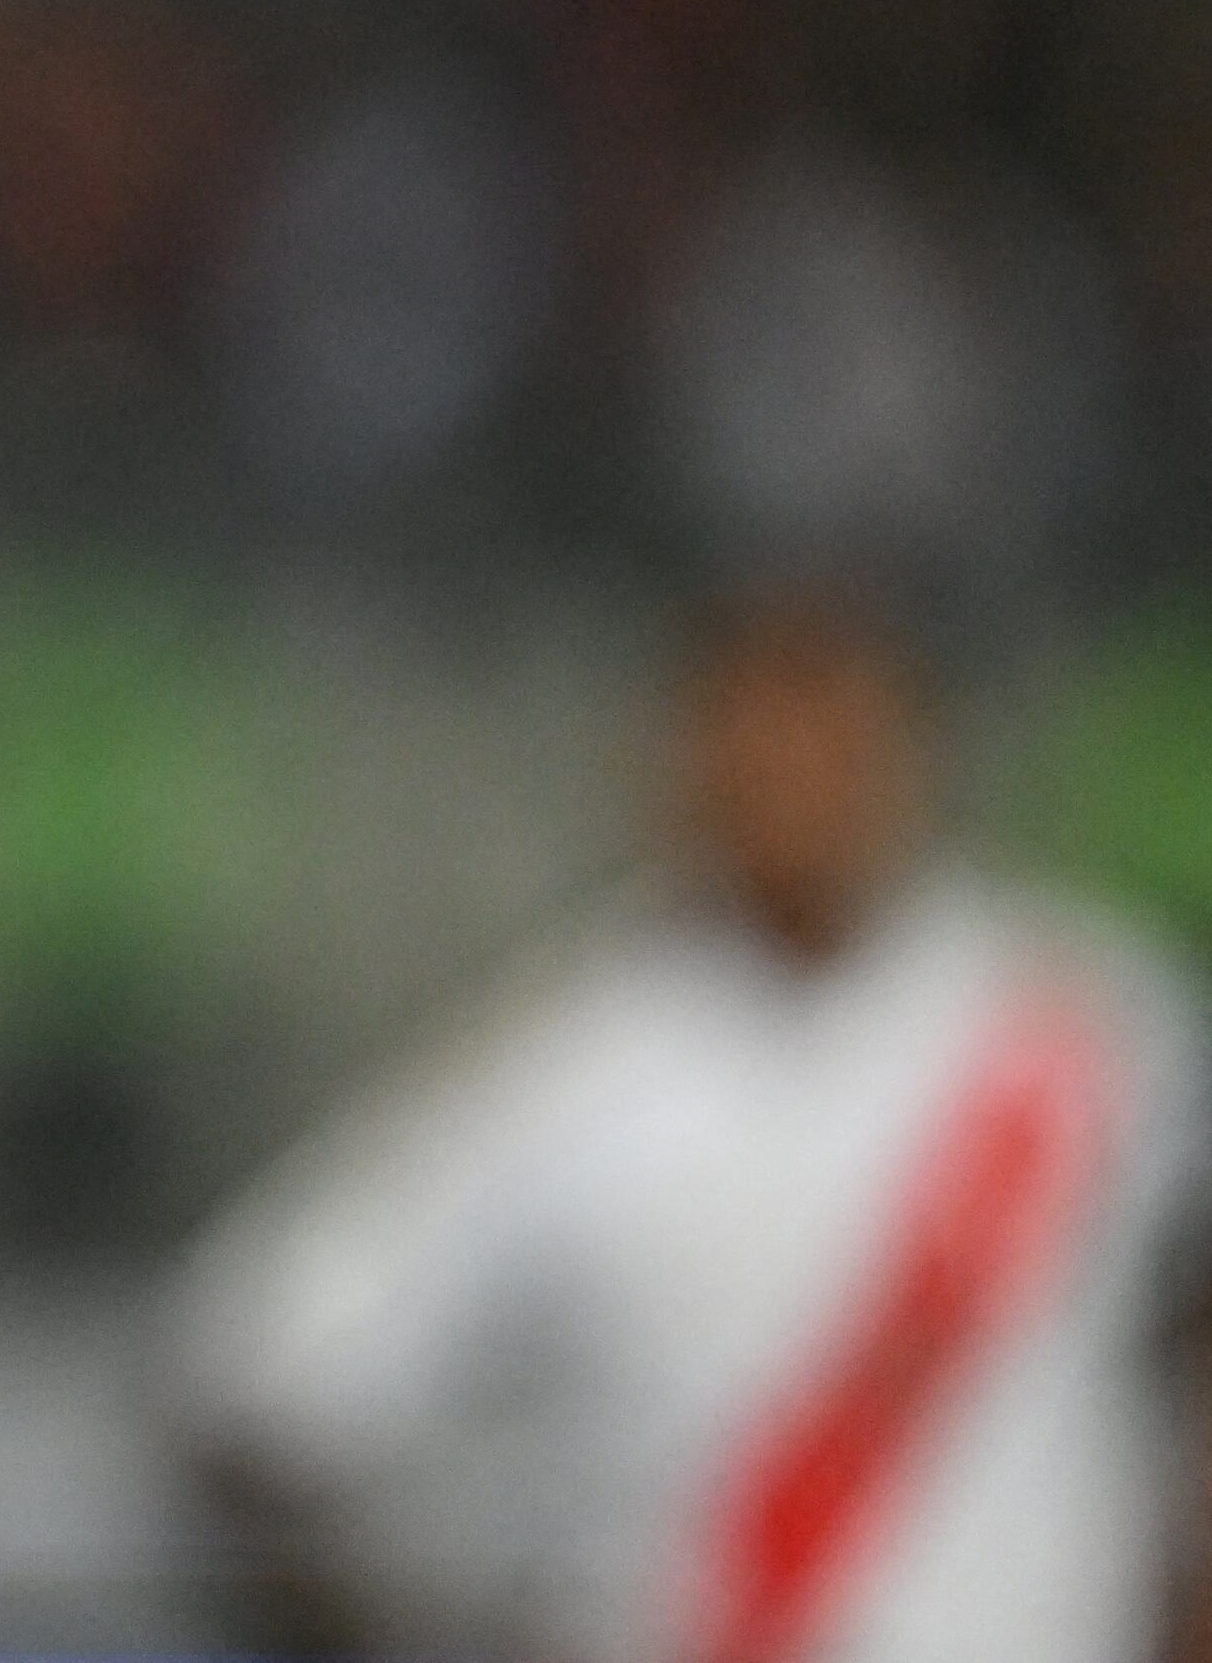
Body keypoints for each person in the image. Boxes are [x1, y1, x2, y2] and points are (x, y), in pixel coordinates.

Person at [169, 582, 1212, 1663]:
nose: (793, 779)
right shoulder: (567, 1071)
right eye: (753, 736)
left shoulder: (1083, 1022)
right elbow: (248, 1393)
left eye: (832, 731)